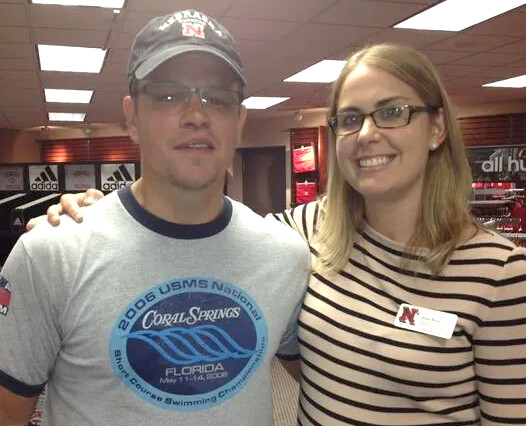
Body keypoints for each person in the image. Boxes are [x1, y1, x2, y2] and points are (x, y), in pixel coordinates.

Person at [39, 43, 526, 425]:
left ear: (437, 128)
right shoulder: (304, 232)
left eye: (393, 112)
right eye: (350, 119)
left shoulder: (500, 273)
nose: (367, 134)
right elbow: (200, 229)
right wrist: (97, 212)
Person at [0, 9, 311, 426]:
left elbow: (335, 382)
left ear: (238, 122)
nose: (196, 114)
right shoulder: (51, 253)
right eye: (168, 94)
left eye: (216, 98)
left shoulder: (287, 255)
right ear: (132, 117)